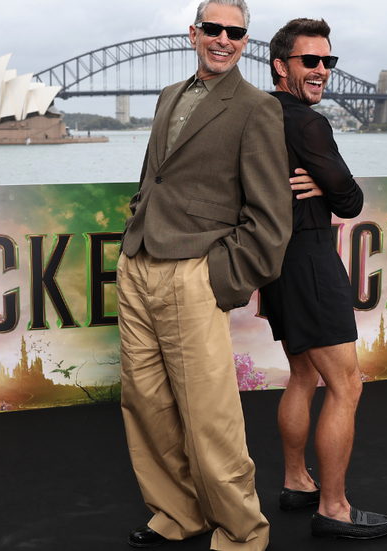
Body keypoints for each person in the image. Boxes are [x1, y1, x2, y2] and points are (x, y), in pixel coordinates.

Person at [117, 0, 290, 549]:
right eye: (212, 28)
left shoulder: (257, 107)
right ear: (193, 33)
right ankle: (178, 514)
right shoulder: (170, 95)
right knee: (146, 402)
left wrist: (221, 279)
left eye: (235, 32)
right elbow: (155, 177)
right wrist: (135, 230)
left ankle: (241, 532)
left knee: (209, 414)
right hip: (138, 264)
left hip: (193, 272)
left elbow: (269, 217)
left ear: (245, 40)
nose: (223, 39)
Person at [260, 18, 387, 539]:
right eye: (309, 61)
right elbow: (351, 200)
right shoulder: (308, 124)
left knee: (302, 374)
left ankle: (298, 481)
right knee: (346, 385)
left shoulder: (261, 113)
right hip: (311, 261)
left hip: (276, 262)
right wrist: (325, 183)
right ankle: (333, 508)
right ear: (281, 65)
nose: (322, 71)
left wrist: (318, 183)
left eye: (328, 61)